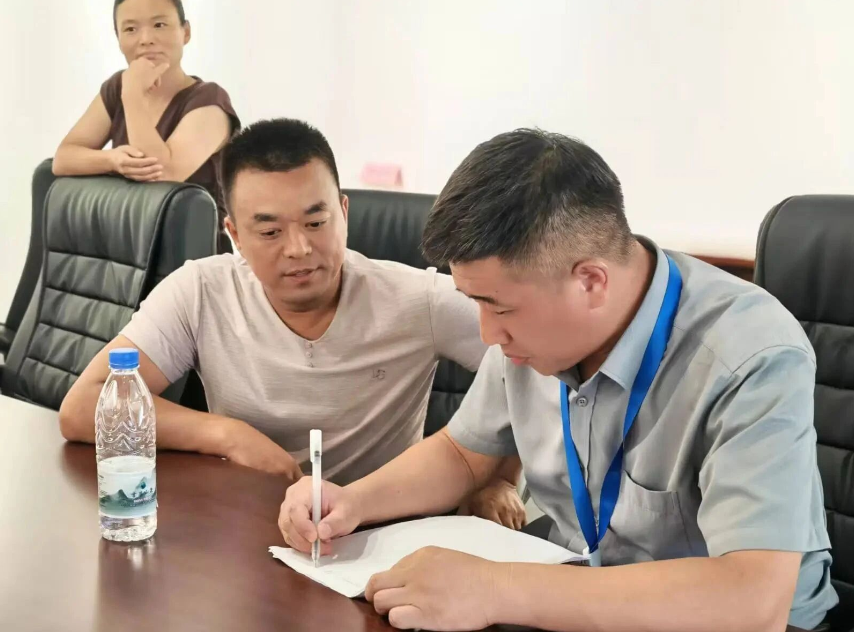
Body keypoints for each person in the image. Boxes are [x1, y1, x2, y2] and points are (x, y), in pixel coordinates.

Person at [278, 129, 838, 631]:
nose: (488, 333)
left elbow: (751, 600)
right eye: (475, 303)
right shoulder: (527, 332)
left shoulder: (750, 354)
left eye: (499, 307)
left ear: (590, 281)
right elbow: (464, 454)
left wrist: (495, 588)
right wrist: (352, 502)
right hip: (572, 592)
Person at [59, 118, 525, 529]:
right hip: (247, 528)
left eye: (316, 223)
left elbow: (532, 363)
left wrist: (500, 477)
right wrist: (228, 435)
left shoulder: (418, 300)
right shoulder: (200, 291)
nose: (299, 248)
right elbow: (84, 407)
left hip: (380, 532)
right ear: (234, 235)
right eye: (270, 231)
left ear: (343, 213)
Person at [52, 0, 240, 253]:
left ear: (185, 32)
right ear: (118, 39)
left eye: (159, 25)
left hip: (192, 257)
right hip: (131, 250)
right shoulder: (116, 88)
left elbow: (160, 175)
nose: (146, 39)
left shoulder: (209, 100)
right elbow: (63, 159)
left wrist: (132, 96)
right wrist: (112, 160)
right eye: (130, 29)